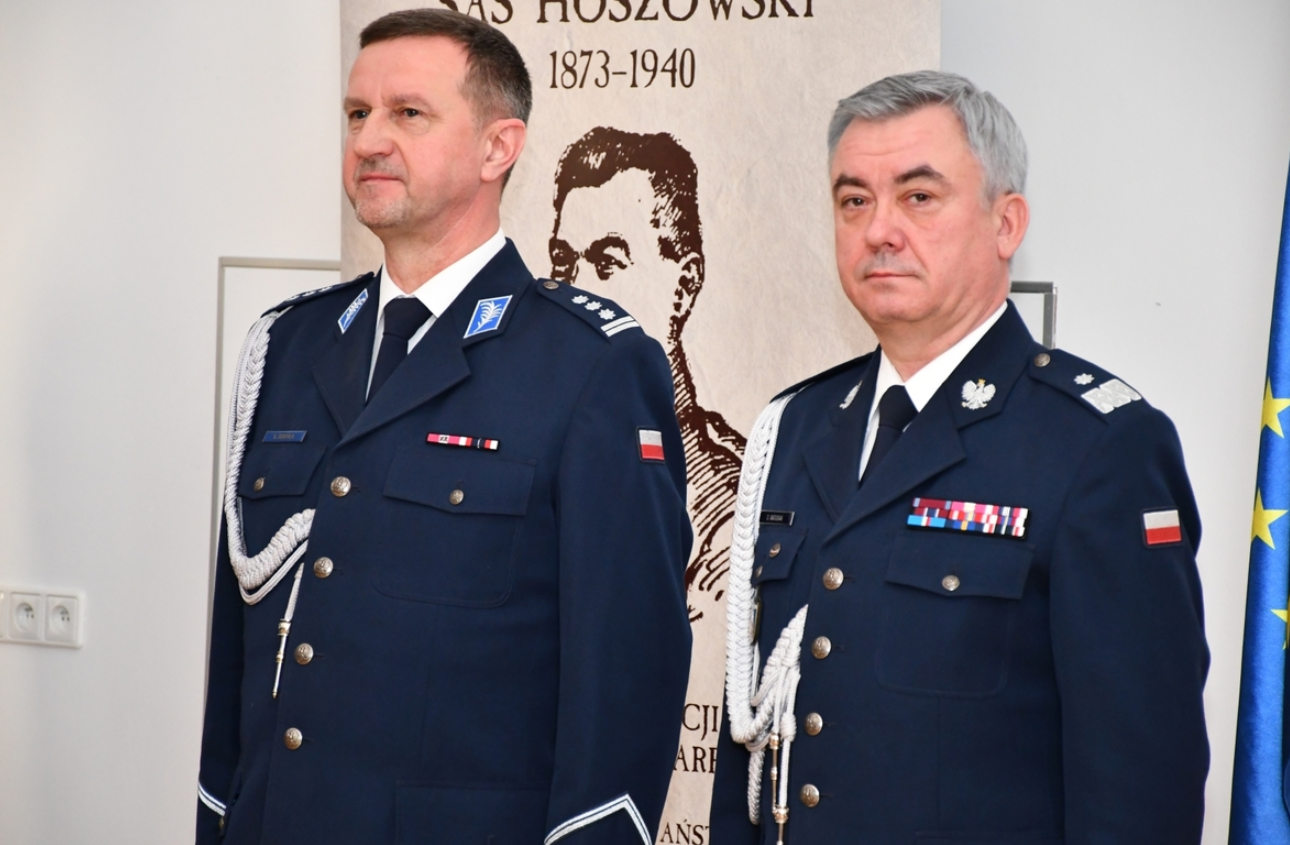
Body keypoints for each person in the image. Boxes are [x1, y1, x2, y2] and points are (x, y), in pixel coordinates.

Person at [195, 10, 692, 845]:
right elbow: (235, 661)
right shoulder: (287, 346)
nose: (369, 141)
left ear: (499, 147)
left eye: (408, 113)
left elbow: (625, 688)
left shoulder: (591, 368)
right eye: (358, 114)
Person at [711, 71, 1209, 843]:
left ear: (1006, 224)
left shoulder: (1099, 446)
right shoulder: (795, 426)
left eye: (918, 196)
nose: (879, 229)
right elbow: (753, 743)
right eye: (854, 200)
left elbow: (1139, 793)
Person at [549, 127, 745, 623]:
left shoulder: (732, 509)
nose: (575, 290)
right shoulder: (527, 444)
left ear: (685, 286)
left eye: (607, 263)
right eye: (563, 261)